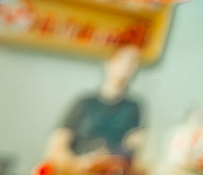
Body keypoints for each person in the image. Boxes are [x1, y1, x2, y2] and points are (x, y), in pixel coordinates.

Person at [41, 44, 149, 175]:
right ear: (109, 63)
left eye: (133, 63)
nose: (128, 67)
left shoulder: (134, 108)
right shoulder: (85, 102)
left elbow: (134, 150)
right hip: (77, 166)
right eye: (123, 60)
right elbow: (56, 145)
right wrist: (79, 164)